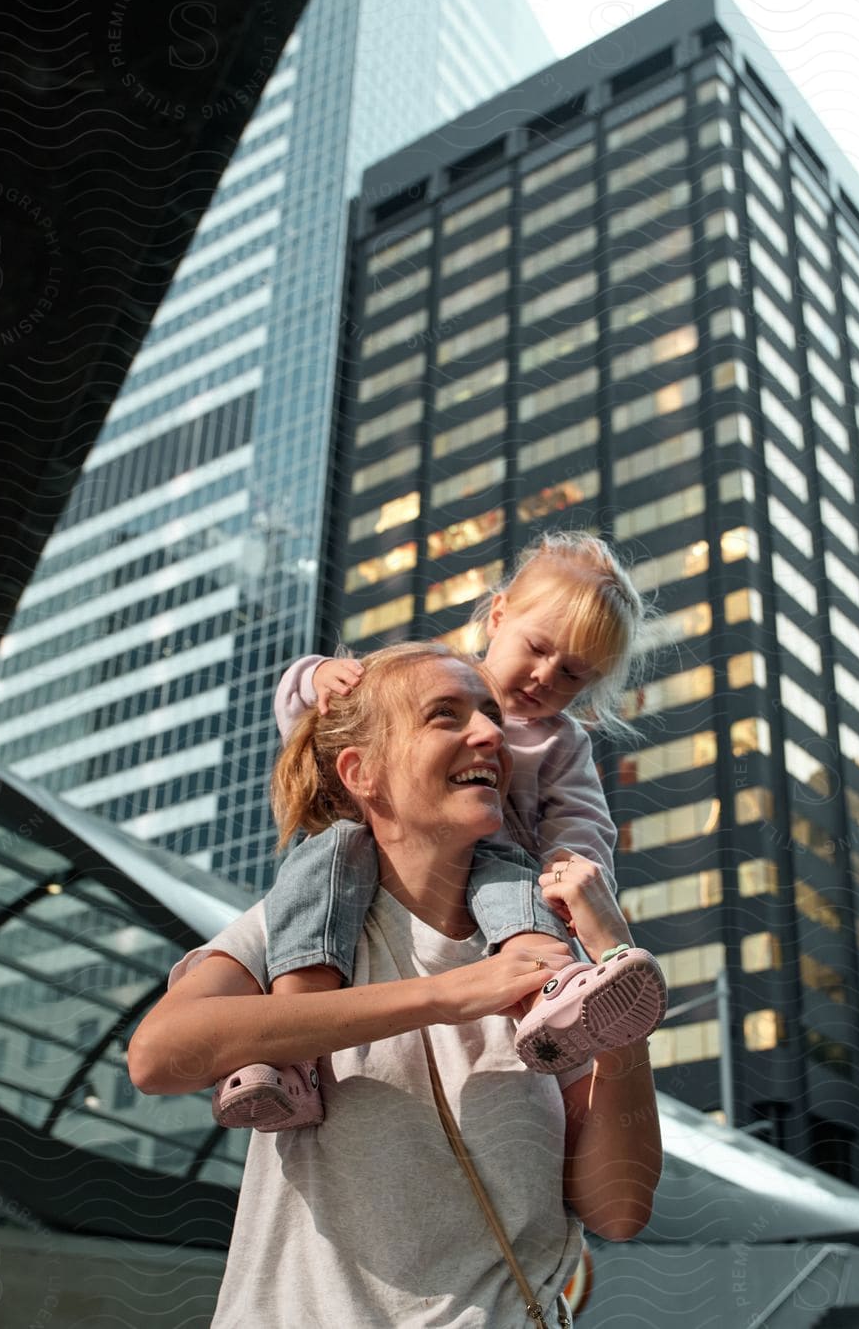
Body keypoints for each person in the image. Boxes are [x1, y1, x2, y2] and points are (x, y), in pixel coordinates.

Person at [127, 644, 663, 1327]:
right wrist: (446, 995)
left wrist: (616, 980)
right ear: (362, 772)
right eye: (446, 716)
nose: (492, 735)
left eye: (491, 716)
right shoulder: (295, 927)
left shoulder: (539, 960)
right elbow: (157, 1056)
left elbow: (619, 1208)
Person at [214, 531, 666, 1130]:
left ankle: (551, 1001)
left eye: (572, 675)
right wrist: (318, 676)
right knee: (320, 867)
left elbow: (582, 818)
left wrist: (568, 865)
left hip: (496, 873)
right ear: (498, 615)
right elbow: (325, 727)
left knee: (516, 885)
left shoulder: (559, 741)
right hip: (379, 846)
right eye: (537, 647)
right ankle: (288, 1055)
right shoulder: (426, 677)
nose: (544, 676)